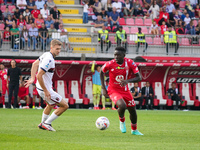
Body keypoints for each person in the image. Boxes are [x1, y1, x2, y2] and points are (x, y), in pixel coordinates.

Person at [25, 39, 69, 131]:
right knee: (65, 106)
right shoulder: (49, 60)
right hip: (44, 88)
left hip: (40, 87)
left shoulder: (46, 54)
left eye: (60, 49)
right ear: (51, 48)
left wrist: (33, 78)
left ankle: (42, 124)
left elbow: (34, 64)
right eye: (57, 49)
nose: (59, 51)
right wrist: (46, 91)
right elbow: (39, 74)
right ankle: (47, 123)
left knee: (50, 105)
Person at [100, 46, 143, 135]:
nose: (116, 57)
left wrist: (127, 81)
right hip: (113, 90)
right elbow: (101, 71)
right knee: (122, 106)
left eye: (118, 55)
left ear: (124, 55)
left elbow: (139, 77)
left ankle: (134, 130)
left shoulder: (130, 63)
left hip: (125, 90)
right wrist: (103, 88)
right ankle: (122, 120)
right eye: (115, 55)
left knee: (133, 110)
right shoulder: (110, 64)